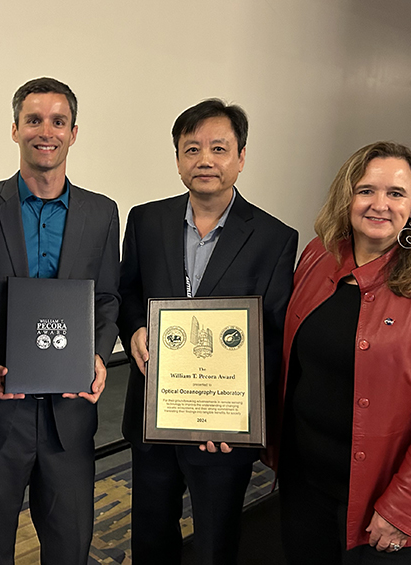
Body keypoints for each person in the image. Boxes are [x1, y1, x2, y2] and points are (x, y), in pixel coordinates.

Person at [274, 141, 411, 564]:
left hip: (384, 501)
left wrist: (404, 507)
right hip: (304, 483)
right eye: (366, 190)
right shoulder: (318, 255)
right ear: (347, 196)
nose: (379, 204)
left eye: (396, 193)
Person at [118, 99, 297, 564]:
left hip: (223, 427)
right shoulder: (145, 220)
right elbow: (129, 291)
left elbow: (273, 337)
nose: (205, 160)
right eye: (191, 148)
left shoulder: (276, 238)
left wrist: (241, 422)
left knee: (216, 542)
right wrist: (136, 327)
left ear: (240, 157)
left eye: (219, 148)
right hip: (153, 413)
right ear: (178, 158)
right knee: (150, 535)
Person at [0, 77, 120, 565]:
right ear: (14, 129)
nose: (45, 130)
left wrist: (97, 353)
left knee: (70, 546)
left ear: (74, 132)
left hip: (69, 413)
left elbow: (108, 298)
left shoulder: (101, 213)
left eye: (58, 121)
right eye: (33, 120)